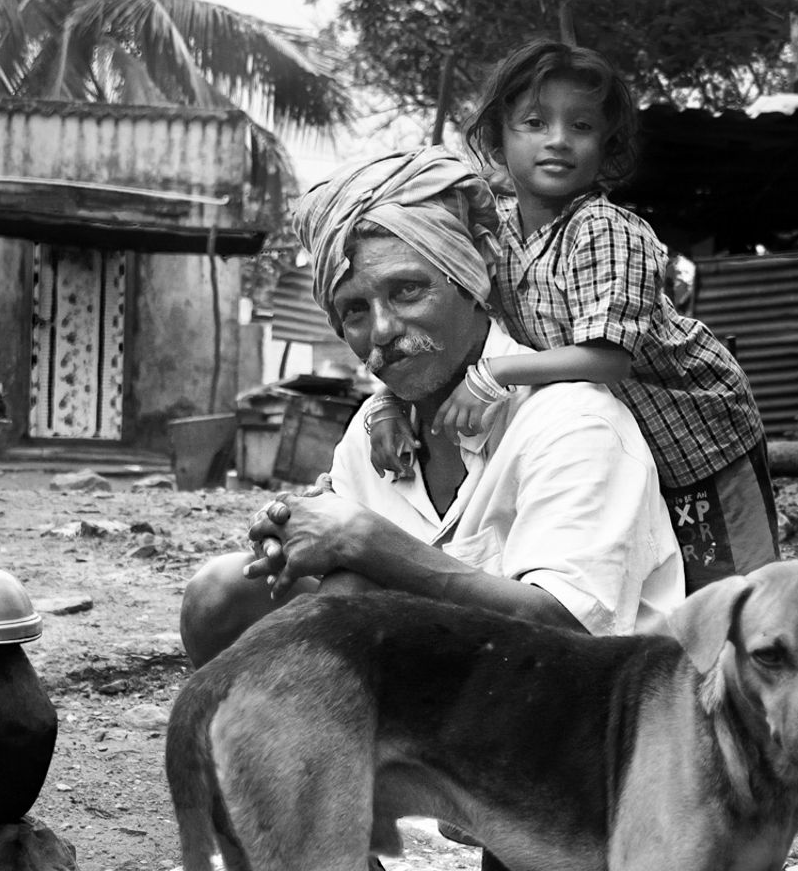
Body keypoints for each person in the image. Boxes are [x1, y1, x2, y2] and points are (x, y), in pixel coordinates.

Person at [179, 146, 684, 670]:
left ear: (471, 279)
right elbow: (341, 575)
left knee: (351, 594)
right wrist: (296, 537)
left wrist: (362, 539)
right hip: (437, 697)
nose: (382, 331)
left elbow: (571, 635)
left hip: (565, 718)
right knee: (220, 596)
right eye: (354, 309)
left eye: (408, 291)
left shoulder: (574, 423)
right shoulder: (374, 426)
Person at [367, 40, 779, 593]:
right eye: (535, 122)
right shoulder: (495, 238)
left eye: (581, 126)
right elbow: (449, 334)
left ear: (604, 146)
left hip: (698, 433)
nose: (558, 139)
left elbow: (607, 359)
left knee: (738, 593)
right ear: (498, 137)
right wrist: (389, 401)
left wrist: (495, 375)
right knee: (662, 589)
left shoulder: (606, 230)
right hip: (617, 443)